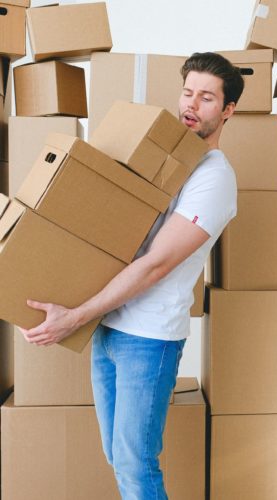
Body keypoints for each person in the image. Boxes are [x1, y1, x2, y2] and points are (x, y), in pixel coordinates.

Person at [19, 52, 244, 500]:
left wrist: (76, 315)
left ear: (227, 110)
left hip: (148, 337)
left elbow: (157, 262)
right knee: (116, 453)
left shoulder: (214, 177)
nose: (191, 105)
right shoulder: (161, 159)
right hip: (108, 326)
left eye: (206, 98)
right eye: (187, 92)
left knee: (135, 461)